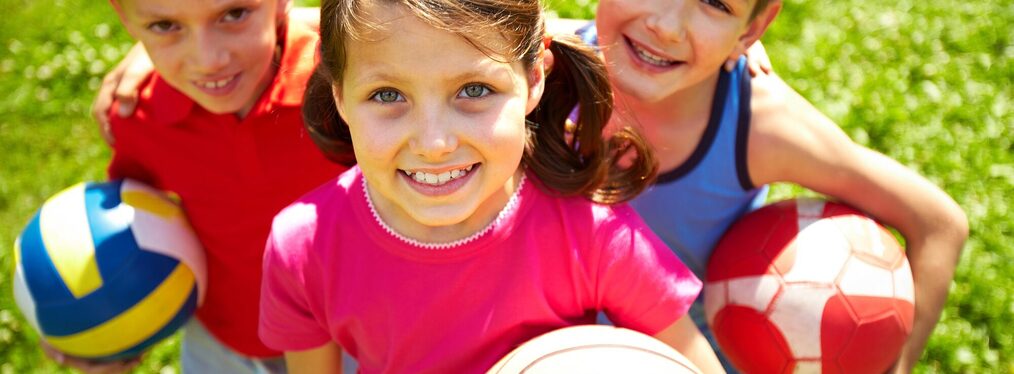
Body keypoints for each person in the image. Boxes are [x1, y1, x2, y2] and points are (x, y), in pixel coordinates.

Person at [256, 0, 723, 372]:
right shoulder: (304, 247)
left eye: (474, 90)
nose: (434, 143)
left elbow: (691, 361)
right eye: (388, 95)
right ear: (339, 94)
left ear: (534, 77)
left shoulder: (593, 232)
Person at [577, 0, 969, 372]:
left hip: (688, 358)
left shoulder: (757, 126)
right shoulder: (544, 67)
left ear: (752, 31)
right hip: (546, 339)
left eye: (716, 4)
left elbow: (938, 224)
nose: (665, 26)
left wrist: (894, 369)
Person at [46, 0, 349, 373]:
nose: (208, 60)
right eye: (165, 25)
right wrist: (96, 322)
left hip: (353, 336)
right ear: (125, 19)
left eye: (234, 14)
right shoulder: (137, 116)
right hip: (221, 343)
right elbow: (136, 238)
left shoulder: (347, 80)